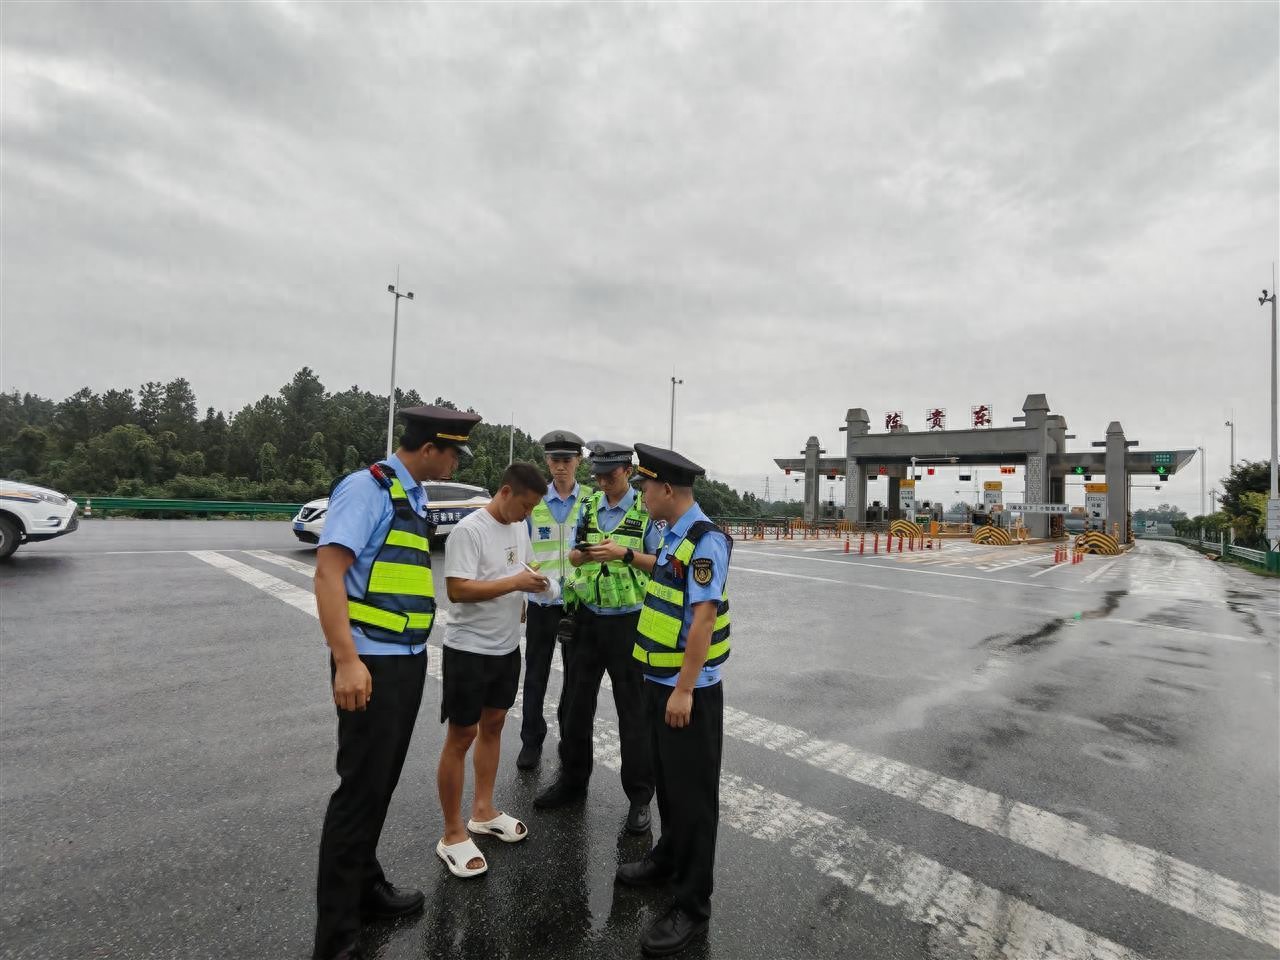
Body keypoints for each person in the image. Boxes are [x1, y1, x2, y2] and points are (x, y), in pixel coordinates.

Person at [312, 405, 480, 960]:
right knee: (358, 793)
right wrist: (346, 660)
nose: (456, 463)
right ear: (430, 448)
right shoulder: (366, 489)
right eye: (454, 453)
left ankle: (366, 886)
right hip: (371, 662)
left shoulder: (408, 495)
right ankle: (335, 938)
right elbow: (329, 573)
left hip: (404, 659)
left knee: (379, 783)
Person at [616, 443, 732, 959]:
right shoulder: (672, 536)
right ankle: (666, 857)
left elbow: (703, 620)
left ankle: (692, 903)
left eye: (644, 487)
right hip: (658, 681)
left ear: (666, 489)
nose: (640, 495)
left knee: (693, 798)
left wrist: (685, 688)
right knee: (667, 783)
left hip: (689, 691)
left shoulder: (705, 540)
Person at [435, 461, 559, 879]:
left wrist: (536, 585)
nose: (527, 515)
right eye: (524, 505)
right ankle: (452, 833)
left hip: (507, 648)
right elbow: (458, 589)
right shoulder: (469, 530)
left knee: (494, 725)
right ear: (505, 492)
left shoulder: (517, 526)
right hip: (469, 650)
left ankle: (483, 811)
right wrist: (516, 586)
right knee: (461, 735)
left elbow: (522, 569)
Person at [535, 441, 660, 835]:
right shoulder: (588, 507)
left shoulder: (646, 510)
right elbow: (572, 555)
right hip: (587, 619)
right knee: (574, 705)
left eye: (610, 475)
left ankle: (640, 798)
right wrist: (587, 555)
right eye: (598, 476)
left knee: (633, 713)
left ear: (629, 470)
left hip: (629, 623)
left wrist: (624, 554)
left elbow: (660, 565)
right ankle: (572, 781)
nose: (603, 482)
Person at [517, 429, 590, 771]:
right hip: (542, 603)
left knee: (575, 679)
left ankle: (569, 740)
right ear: (547, 461)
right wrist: (523, 594)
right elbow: (520, 549)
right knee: (535, 675)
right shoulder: (533, 500)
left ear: (578, 461)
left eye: (567, 460)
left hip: (577, 604)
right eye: (555, 460)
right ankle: (531, 741)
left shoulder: (589, 500)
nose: (561, 467)